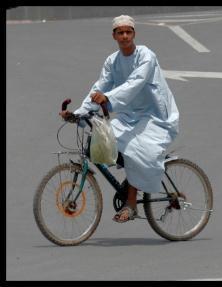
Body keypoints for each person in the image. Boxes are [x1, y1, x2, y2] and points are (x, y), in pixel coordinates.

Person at [60, 15, 180, 223]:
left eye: (128, 32)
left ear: (134, 34)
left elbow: (135, 83)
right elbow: (99, 88)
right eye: (120, 32)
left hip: (156, 117)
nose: (124, 36)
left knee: (135, 149)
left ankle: (131, 204)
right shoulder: (112, 61)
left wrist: (108, 98)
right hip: (129, 117)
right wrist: (78, 113)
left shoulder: (146, 56)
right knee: (106, 137)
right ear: (114, 35)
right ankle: (132, 177)